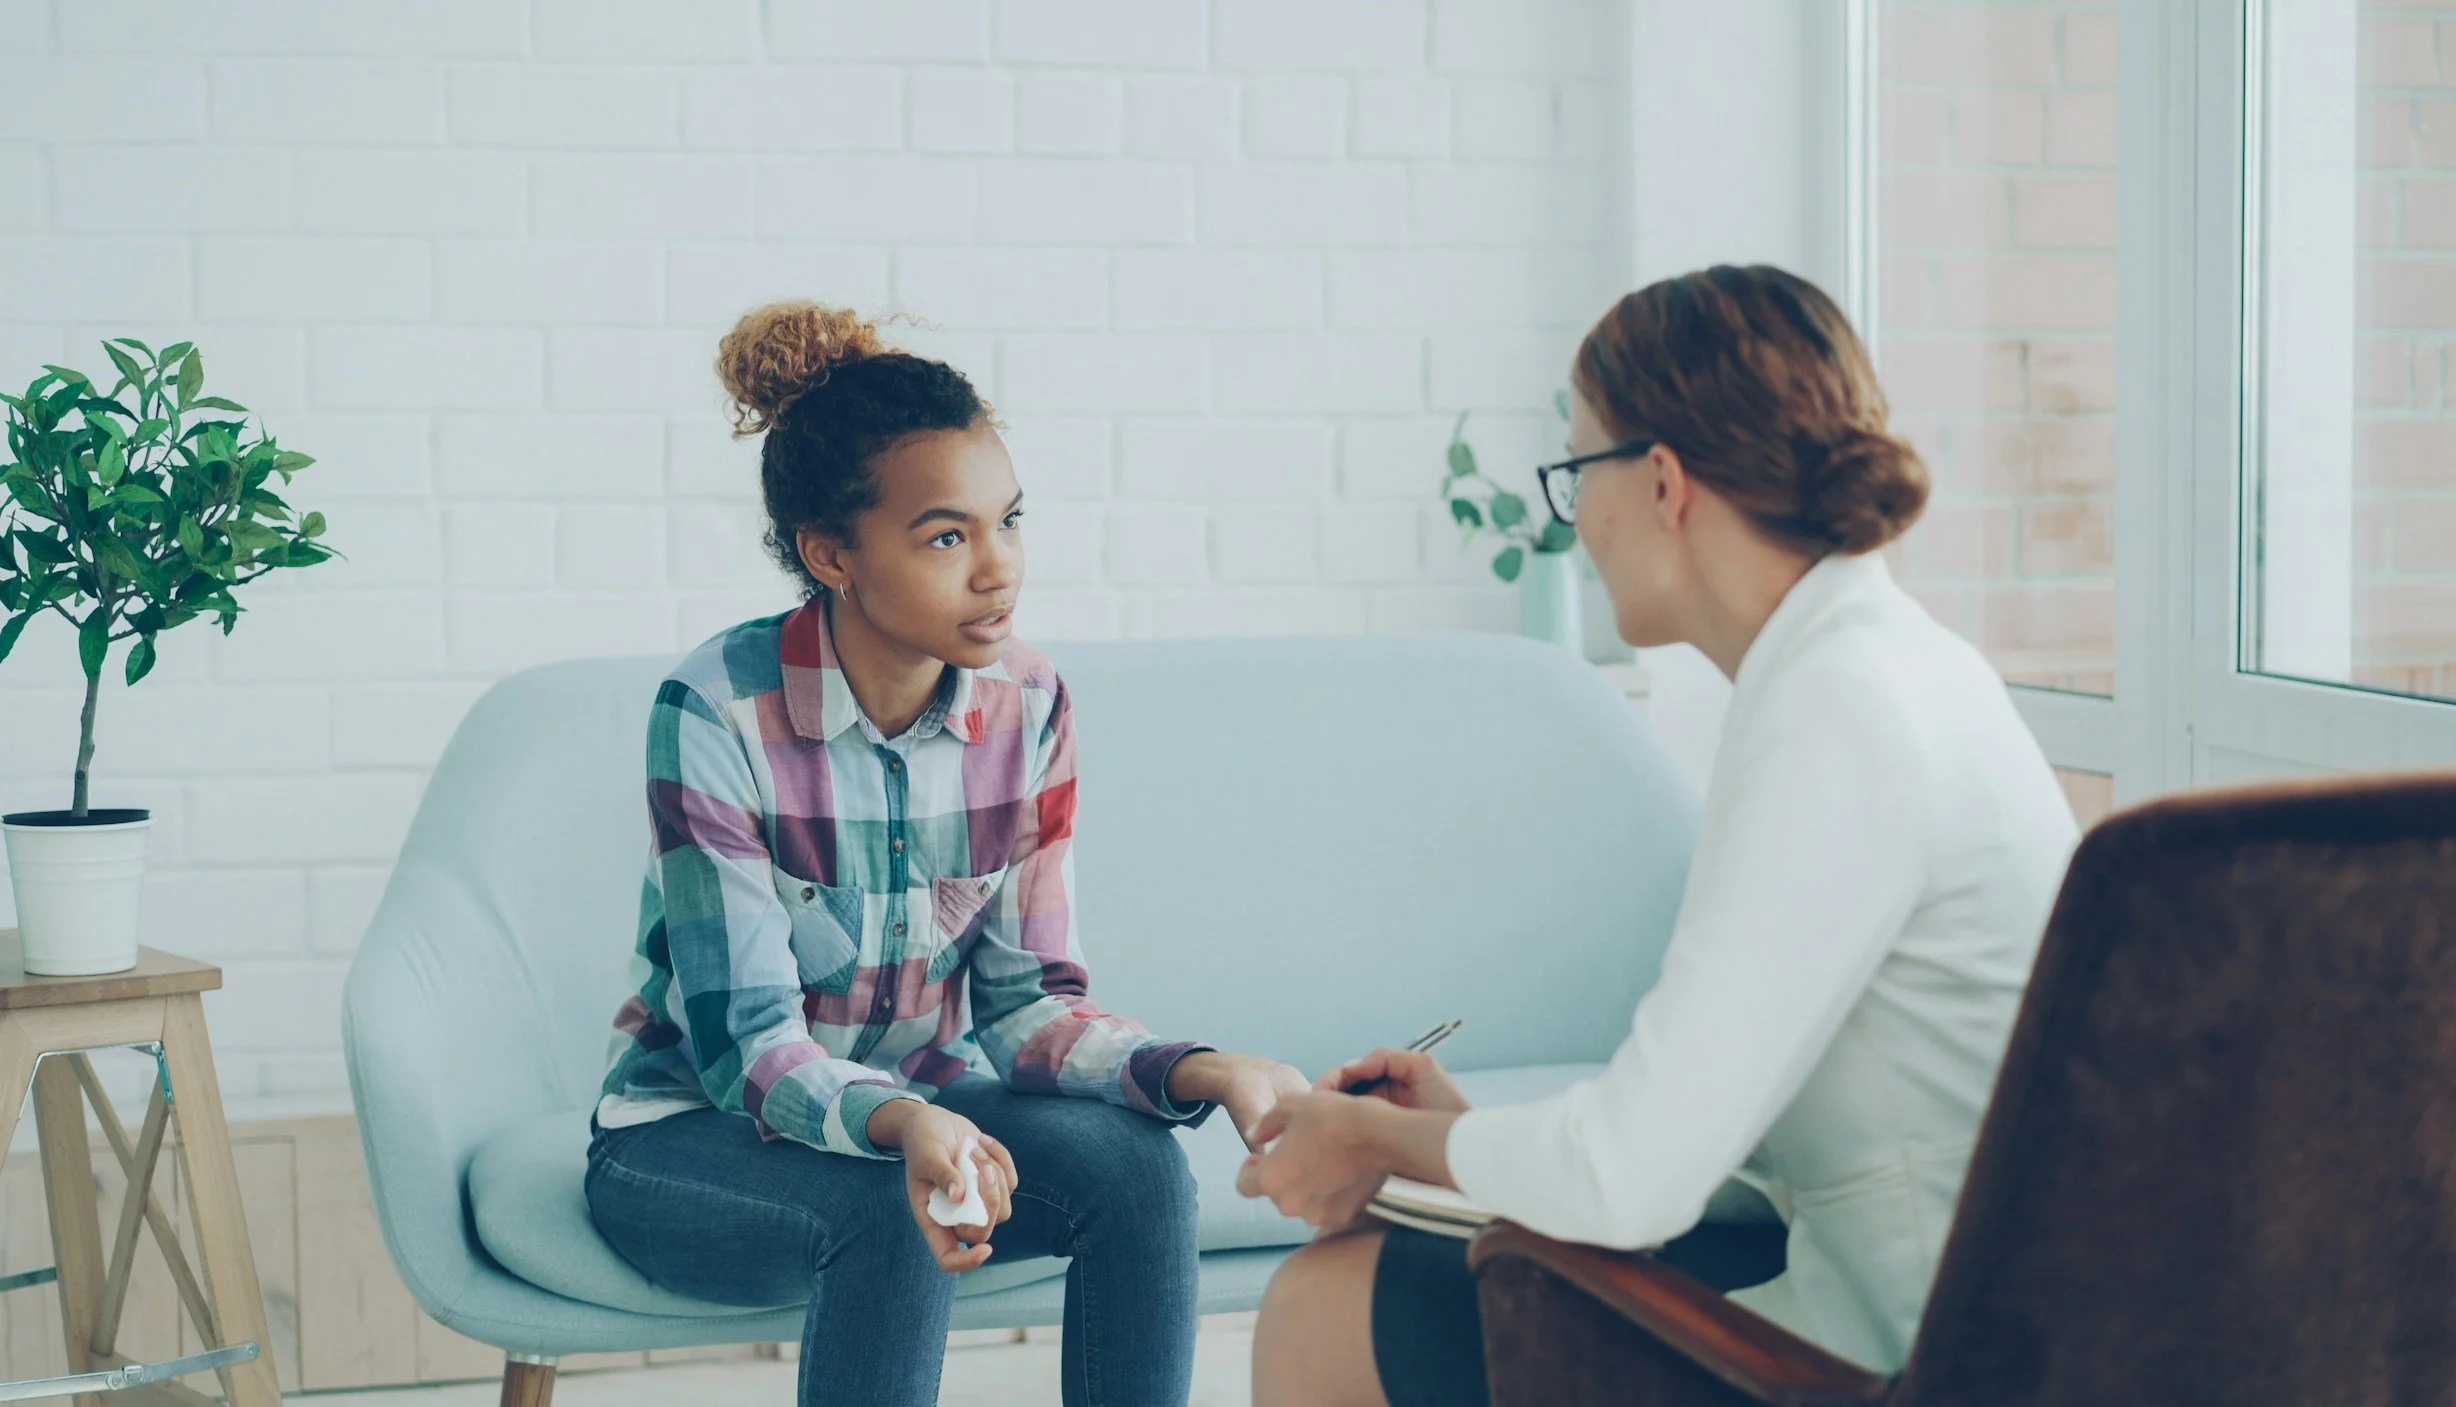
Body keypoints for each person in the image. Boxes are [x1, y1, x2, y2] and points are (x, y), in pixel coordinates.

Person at [1238, 264, 2080, 1407]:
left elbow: (1629, 1182)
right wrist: (1466, 1139)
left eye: (1576, 469)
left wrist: (1379, 1145)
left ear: (1664, 482)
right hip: (1968, 1289)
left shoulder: (1835, 713)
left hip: (1914, 1350)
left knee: (1327, 1306)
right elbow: (1711, 1138)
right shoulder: (1889, 666)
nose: (1575, 515)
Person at [583, 301, 1307, 1407]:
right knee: (893, 1199)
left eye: (1008, 521)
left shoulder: (1032, 705)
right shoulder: (717, 708)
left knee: (1141, 1171)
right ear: (832, 554)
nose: (997, 571)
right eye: (944, 537)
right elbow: (744, 1050)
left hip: (922, 1111)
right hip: (689, 1143)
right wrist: (911, 1125)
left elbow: (1025, 1009)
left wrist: (1203, 1070)